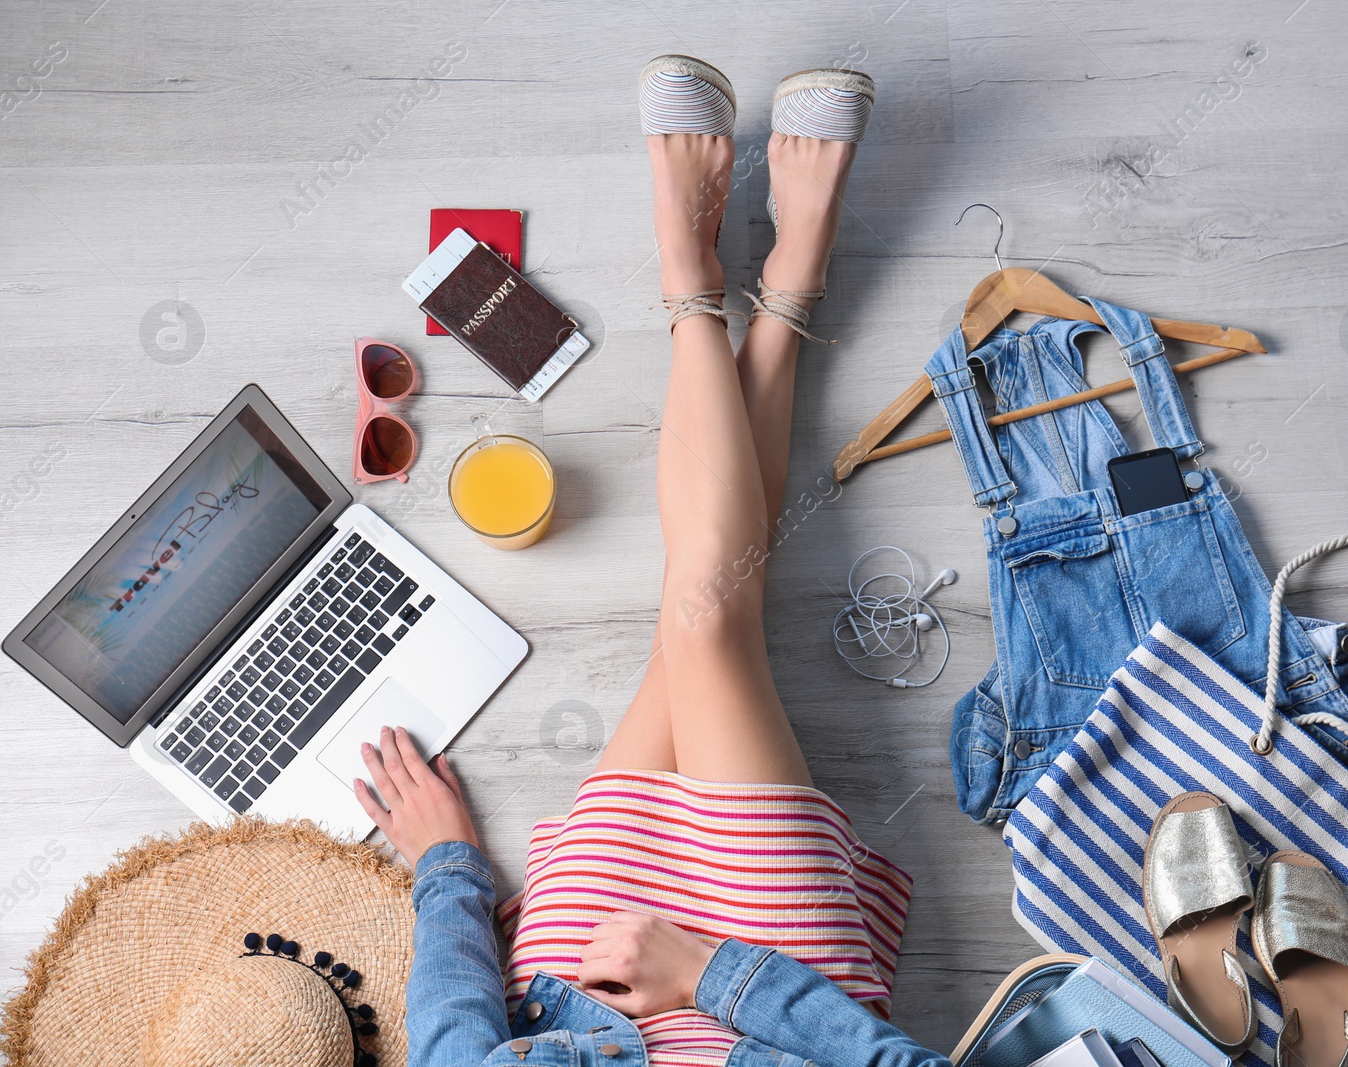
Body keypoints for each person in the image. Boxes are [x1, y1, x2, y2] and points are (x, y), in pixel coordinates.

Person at [353, 55, 953, 1067]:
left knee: (707, 612)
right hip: (781, 990)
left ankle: (764, 284)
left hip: (577, 986)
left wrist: (448, 865)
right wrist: (710, 971)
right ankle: (711, 279)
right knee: (709, 618)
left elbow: (453, 1049)